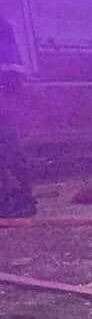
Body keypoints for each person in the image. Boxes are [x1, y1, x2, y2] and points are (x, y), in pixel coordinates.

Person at [0, 13, 35, 218]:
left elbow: (11, 69)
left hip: (3, 96)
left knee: (8, 151)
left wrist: (7, 94)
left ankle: (19, 199)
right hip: (6, 95)